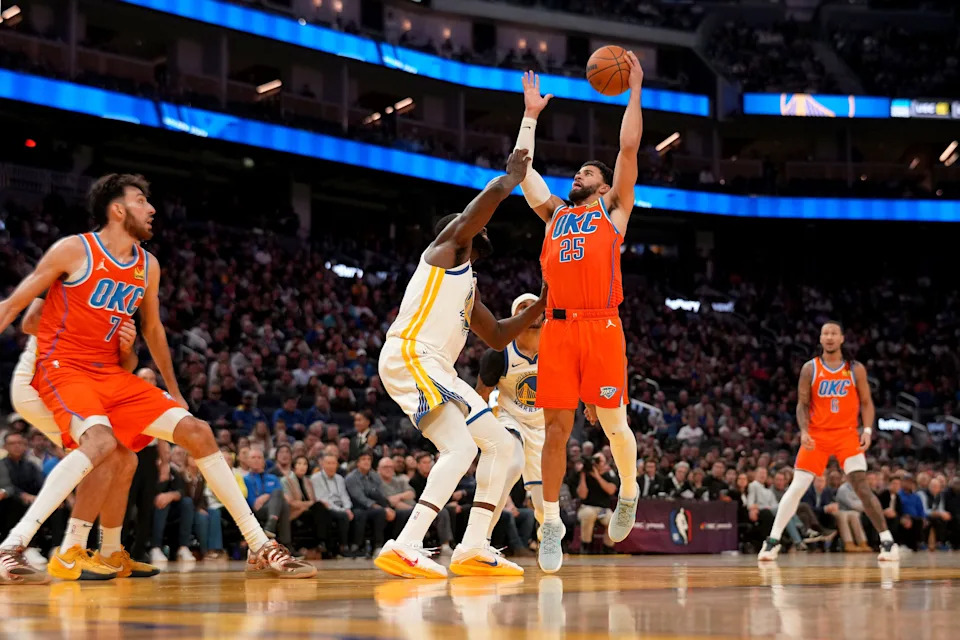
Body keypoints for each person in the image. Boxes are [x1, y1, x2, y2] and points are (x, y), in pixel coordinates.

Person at [0, 174, 313, 581]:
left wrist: (176, 391)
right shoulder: (74, 249)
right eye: (141, 200)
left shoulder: (148, 265)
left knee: (197, 431)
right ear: (117, 209)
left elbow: (154, 330)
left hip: (111, 373)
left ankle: (261, 545)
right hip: (64, 368)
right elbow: (15, 309)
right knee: (103, 444)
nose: (152, 209)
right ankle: (13, 546)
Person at [375, 149, 546, 578]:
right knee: (461, 446)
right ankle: (407, 542)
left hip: (437, 368)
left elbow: (498, 335)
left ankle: (473, 545)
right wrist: (509, 180)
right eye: (475, 224)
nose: (481, 226)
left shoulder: (467, 284)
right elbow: (476, 210)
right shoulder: (443, 253)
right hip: (412, 353)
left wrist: (542, 303)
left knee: (502, 445)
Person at [515, 62, 645, 572]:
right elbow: (522, 169)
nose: (579, 175)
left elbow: (628, 149)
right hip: (560, 329)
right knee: (554, 429)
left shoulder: (613, 209)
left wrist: (633, 90)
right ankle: (551, 524)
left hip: (602, 324)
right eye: (577, 172)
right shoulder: (555, 214)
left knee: (614, 424)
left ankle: (630, 490)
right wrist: (529, 117)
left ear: (604, 184)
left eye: (587, 172)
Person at [5, 294, 157, 582]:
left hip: (77, 384)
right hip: (40, 381)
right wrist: (89, 339)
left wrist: (126, 349)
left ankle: (110, 552)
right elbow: (29, 322)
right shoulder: (73, 272)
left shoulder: (121, 300)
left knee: (125, 459)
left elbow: (121, 368)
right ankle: (48, 548)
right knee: (105, 448)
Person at [758, 321, 898, 563]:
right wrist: (803, 431)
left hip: (846, 434)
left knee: (861, 486)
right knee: (797, 487)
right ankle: (772, 541)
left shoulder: (855, 369)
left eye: (834, 333)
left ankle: (887, 541)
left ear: (842, 338)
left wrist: (866, 430)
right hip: (817, 435)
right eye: (825, 333)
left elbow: (866, 402)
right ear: (820, 339)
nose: (830, 337)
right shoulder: (809, 369)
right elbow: (801, 405)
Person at [475, 292, 546, 530]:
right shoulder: (499, 353)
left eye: (533, 306)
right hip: (510, 419)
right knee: (511, 465)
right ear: (513, 317)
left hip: (543, 426)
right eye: (522, 308)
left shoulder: (558, 350)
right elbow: (481, 396)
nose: (529, 311)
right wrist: (479, 435)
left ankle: (546, 537)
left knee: (544, 504)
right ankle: (480, 539)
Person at [567, 453, 619, 554]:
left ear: (605, 463)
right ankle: (585, 545)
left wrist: (597, 476)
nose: (598, 464)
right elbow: (582, 495)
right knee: (589, 513)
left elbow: (611, 490)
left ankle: (608, 546)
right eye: (596, 461)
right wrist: (582, 475)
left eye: (600, 461)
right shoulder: (582, 475)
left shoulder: (609, 474)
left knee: (613, 519)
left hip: (604, 509)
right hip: (586, 507)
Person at [311, 453, 354, 557]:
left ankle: (355, 546)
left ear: (337, 465)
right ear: (322, 465)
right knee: (343, 516)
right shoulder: (315, 478)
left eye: (333, 463)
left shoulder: (340, 478)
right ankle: (343, 546)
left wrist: (347, 508)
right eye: (328, 463)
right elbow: (321, 498)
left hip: (340, 506)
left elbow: (344, 495)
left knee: (356, 513)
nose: (331, 466)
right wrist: (342, 511)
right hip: (327, 507)